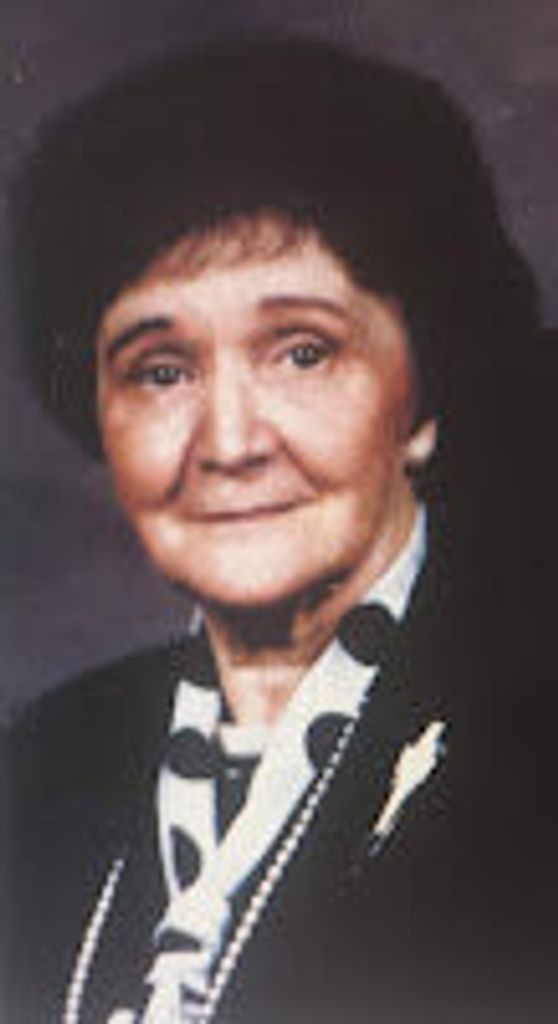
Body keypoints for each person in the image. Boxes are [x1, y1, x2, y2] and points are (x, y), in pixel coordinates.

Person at [6, 38, 556, 1023]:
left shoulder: (530, 753)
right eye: (160, 370)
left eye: (302, 352)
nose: (229, 443)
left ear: (425, 395)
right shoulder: (46, 759)